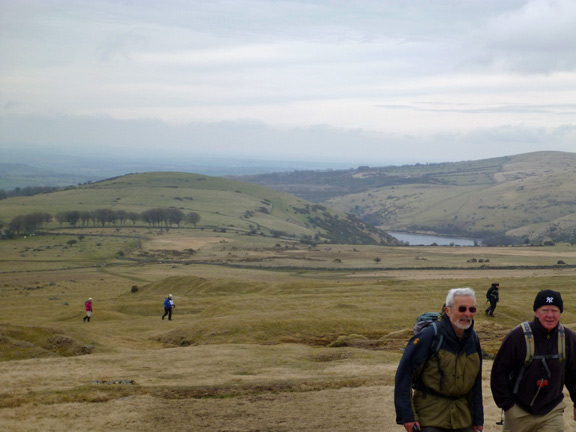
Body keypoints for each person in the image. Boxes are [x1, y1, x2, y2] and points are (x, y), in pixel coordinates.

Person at [395, 287, 484, 432]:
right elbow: (404, 376)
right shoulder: (429, 337)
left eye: (472, 309)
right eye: (462, 309)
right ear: (448, 311)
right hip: (430, 418)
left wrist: (478, 420)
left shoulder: (473, 340)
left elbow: (476, 383)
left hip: (463, 418)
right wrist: (407, 417)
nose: (467, 314)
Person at [490, 289, 576, 431]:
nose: (550, 315)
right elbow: (499, 373)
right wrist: (508, 406)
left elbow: (574, 374)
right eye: (545, 310)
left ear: (560, 313)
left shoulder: (569, 339)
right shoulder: (517, 337)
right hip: (518, 411)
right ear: (536, 312)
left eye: (554, 310)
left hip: (552, 412)